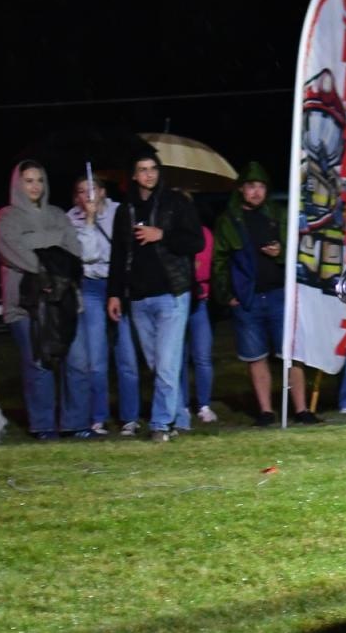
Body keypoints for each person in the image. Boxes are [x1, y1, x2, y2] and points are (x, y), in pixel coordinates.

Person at [210, 161, 320, 426]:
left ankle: (302, 410)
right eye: (250, 186)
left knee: (292, 354)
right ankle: (266, 412)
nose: (256, 192)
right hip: (247, 299)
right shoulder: (228, 221)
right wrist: (227, 296)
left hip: (279, 294)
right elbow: (219, 261)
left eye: (260, 187)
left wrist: (281, 253)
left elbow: (297, 251)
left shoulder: (278, 214)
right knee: (255, 356)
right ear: (241, 190)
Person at [107, 150, 205, 442]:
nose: (149, 174)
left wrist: (162, 235)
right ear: (134, 175)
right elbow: (118, 255)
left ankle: (161, 424)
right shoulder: (125, 211)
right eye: (142, 169)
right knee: (158, 364)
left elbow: (196, 241)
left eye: (153, 168)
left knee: (166, 362)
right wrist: (114, 294)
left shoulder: (176, 202)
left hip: (172, 294)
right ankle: (179, 418)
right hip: (138, 297)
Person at [0, 161, 82, 440]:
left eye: (39, 180)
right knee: (38, 363)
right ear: (17, 184)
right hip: (25, 303)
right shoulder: (7, 217)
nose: (35, 186)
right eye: (28, 181)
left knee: (72, 360)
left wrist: (35, 240)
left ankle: (74, 423)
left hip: (62, 299)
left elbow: (74, 248)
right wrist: (52, 246)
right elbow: (15, 252)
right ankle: (43, 425)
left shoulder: (57, 214)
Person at [64, 176, 116, 436]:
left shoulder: (117, 212)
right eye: (82, 191)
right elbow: (89, 255)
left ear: (103, 191)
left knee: (124, 353)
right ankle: (97, 416)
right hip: (88, 286)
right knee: (93, 354)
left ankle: (125, 416)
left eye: (92, 189)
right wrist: (91, 222)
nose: (88, 196)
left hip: (115, 283)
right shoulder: (71, 218)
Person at [175, 218, 215, 430]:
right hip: (176, 300)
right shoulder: (170, 233)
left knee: (202, 356)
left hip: (199, 301)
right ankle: (181, 405)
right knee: (179, 357)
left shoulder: (204, 233)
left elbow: (201, 268)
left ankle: (204, 405)